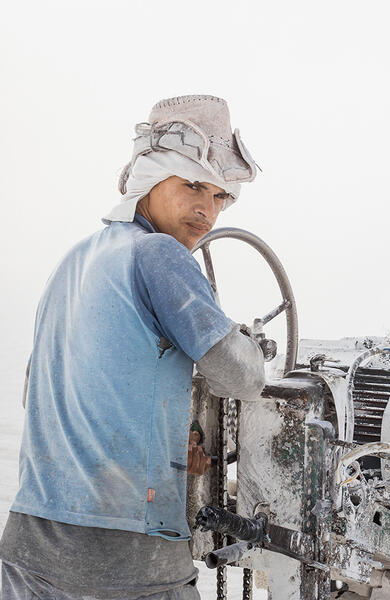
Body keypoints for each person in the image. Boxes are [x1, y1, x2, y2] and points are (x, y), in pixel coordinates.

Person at [0, 95, 268, 599]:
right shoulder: (159, 253)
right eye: (193, 186)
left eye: (220, 198)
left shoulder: (72, 262)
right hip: (126, 559)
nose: (206, 211)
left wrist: (161, 446)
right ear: (152, 179)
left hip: (27, 547)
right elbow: (240, 376)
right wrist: (248, 344)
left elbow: (48, 393)